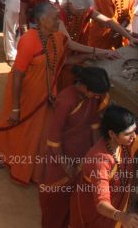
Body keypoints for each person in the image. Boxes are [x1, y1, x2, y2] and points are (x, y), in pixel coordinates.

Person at [0, 2, 109, 184]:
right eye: (54, 18)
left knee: (38, 134)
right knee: (18, 130)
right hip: (25, 96)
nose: (58, 21)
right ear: (42, 20)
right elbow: (17, 75)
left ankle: (28, 170)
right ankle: (1, 155)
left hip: (47, 95)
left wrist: (88, 56)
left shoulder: (57, 38)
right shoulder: (28, 40)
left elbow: (62, 61)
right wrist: (15, 108)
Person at [38, 66, 111, 228]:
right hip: (60, 160)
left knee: (72, 202)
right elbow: (54, 139)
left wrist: (97, 153)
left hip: (82, 157)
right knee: (53, 202)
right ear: (84, 87)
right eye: (95, 93)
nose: (97, 97)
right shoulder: (66, 100)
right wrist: (66, 166)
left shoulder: (92, 98)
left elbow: (94, 125)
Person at [69, 106, 138, 228]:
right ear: (112, 134)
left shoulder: (124, 144)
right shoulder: (100, 161)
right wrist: (122, 216)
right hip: (95, 214)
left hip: (113, 209)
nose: (134, 137)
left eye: (134, 131)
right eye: (128, 134)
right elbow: (101, 203)